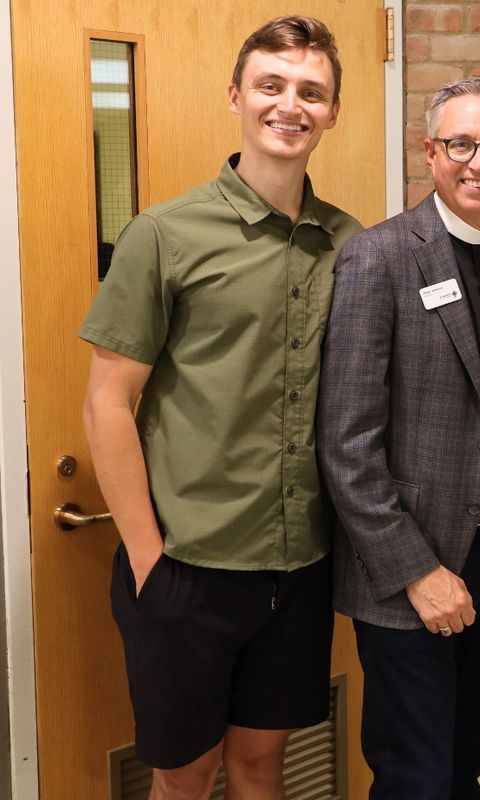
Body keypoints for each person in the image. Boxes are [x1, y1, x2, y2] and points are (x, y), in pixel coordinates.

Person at [79, 16, 357, 800]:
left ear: (332, 111)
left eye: (311, 91)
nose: (289, 105)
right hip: (185, 568)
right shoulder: (164, 235)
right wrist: (146, 561)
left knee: (261, 765)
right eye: (271, 85)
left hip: (301, 569)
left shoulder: (350, 245)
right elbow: (108, 403)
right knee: (184, 773)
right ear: (237, 96)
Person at [316, 76, 480, 799]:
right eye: (461, 144)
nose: (479, 161)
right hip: (409, 566)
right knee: (415, 776)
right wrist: (418, 570)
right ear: (430, 152)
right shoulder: (377, 258)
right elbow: (345, 443)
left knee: (464, 764)